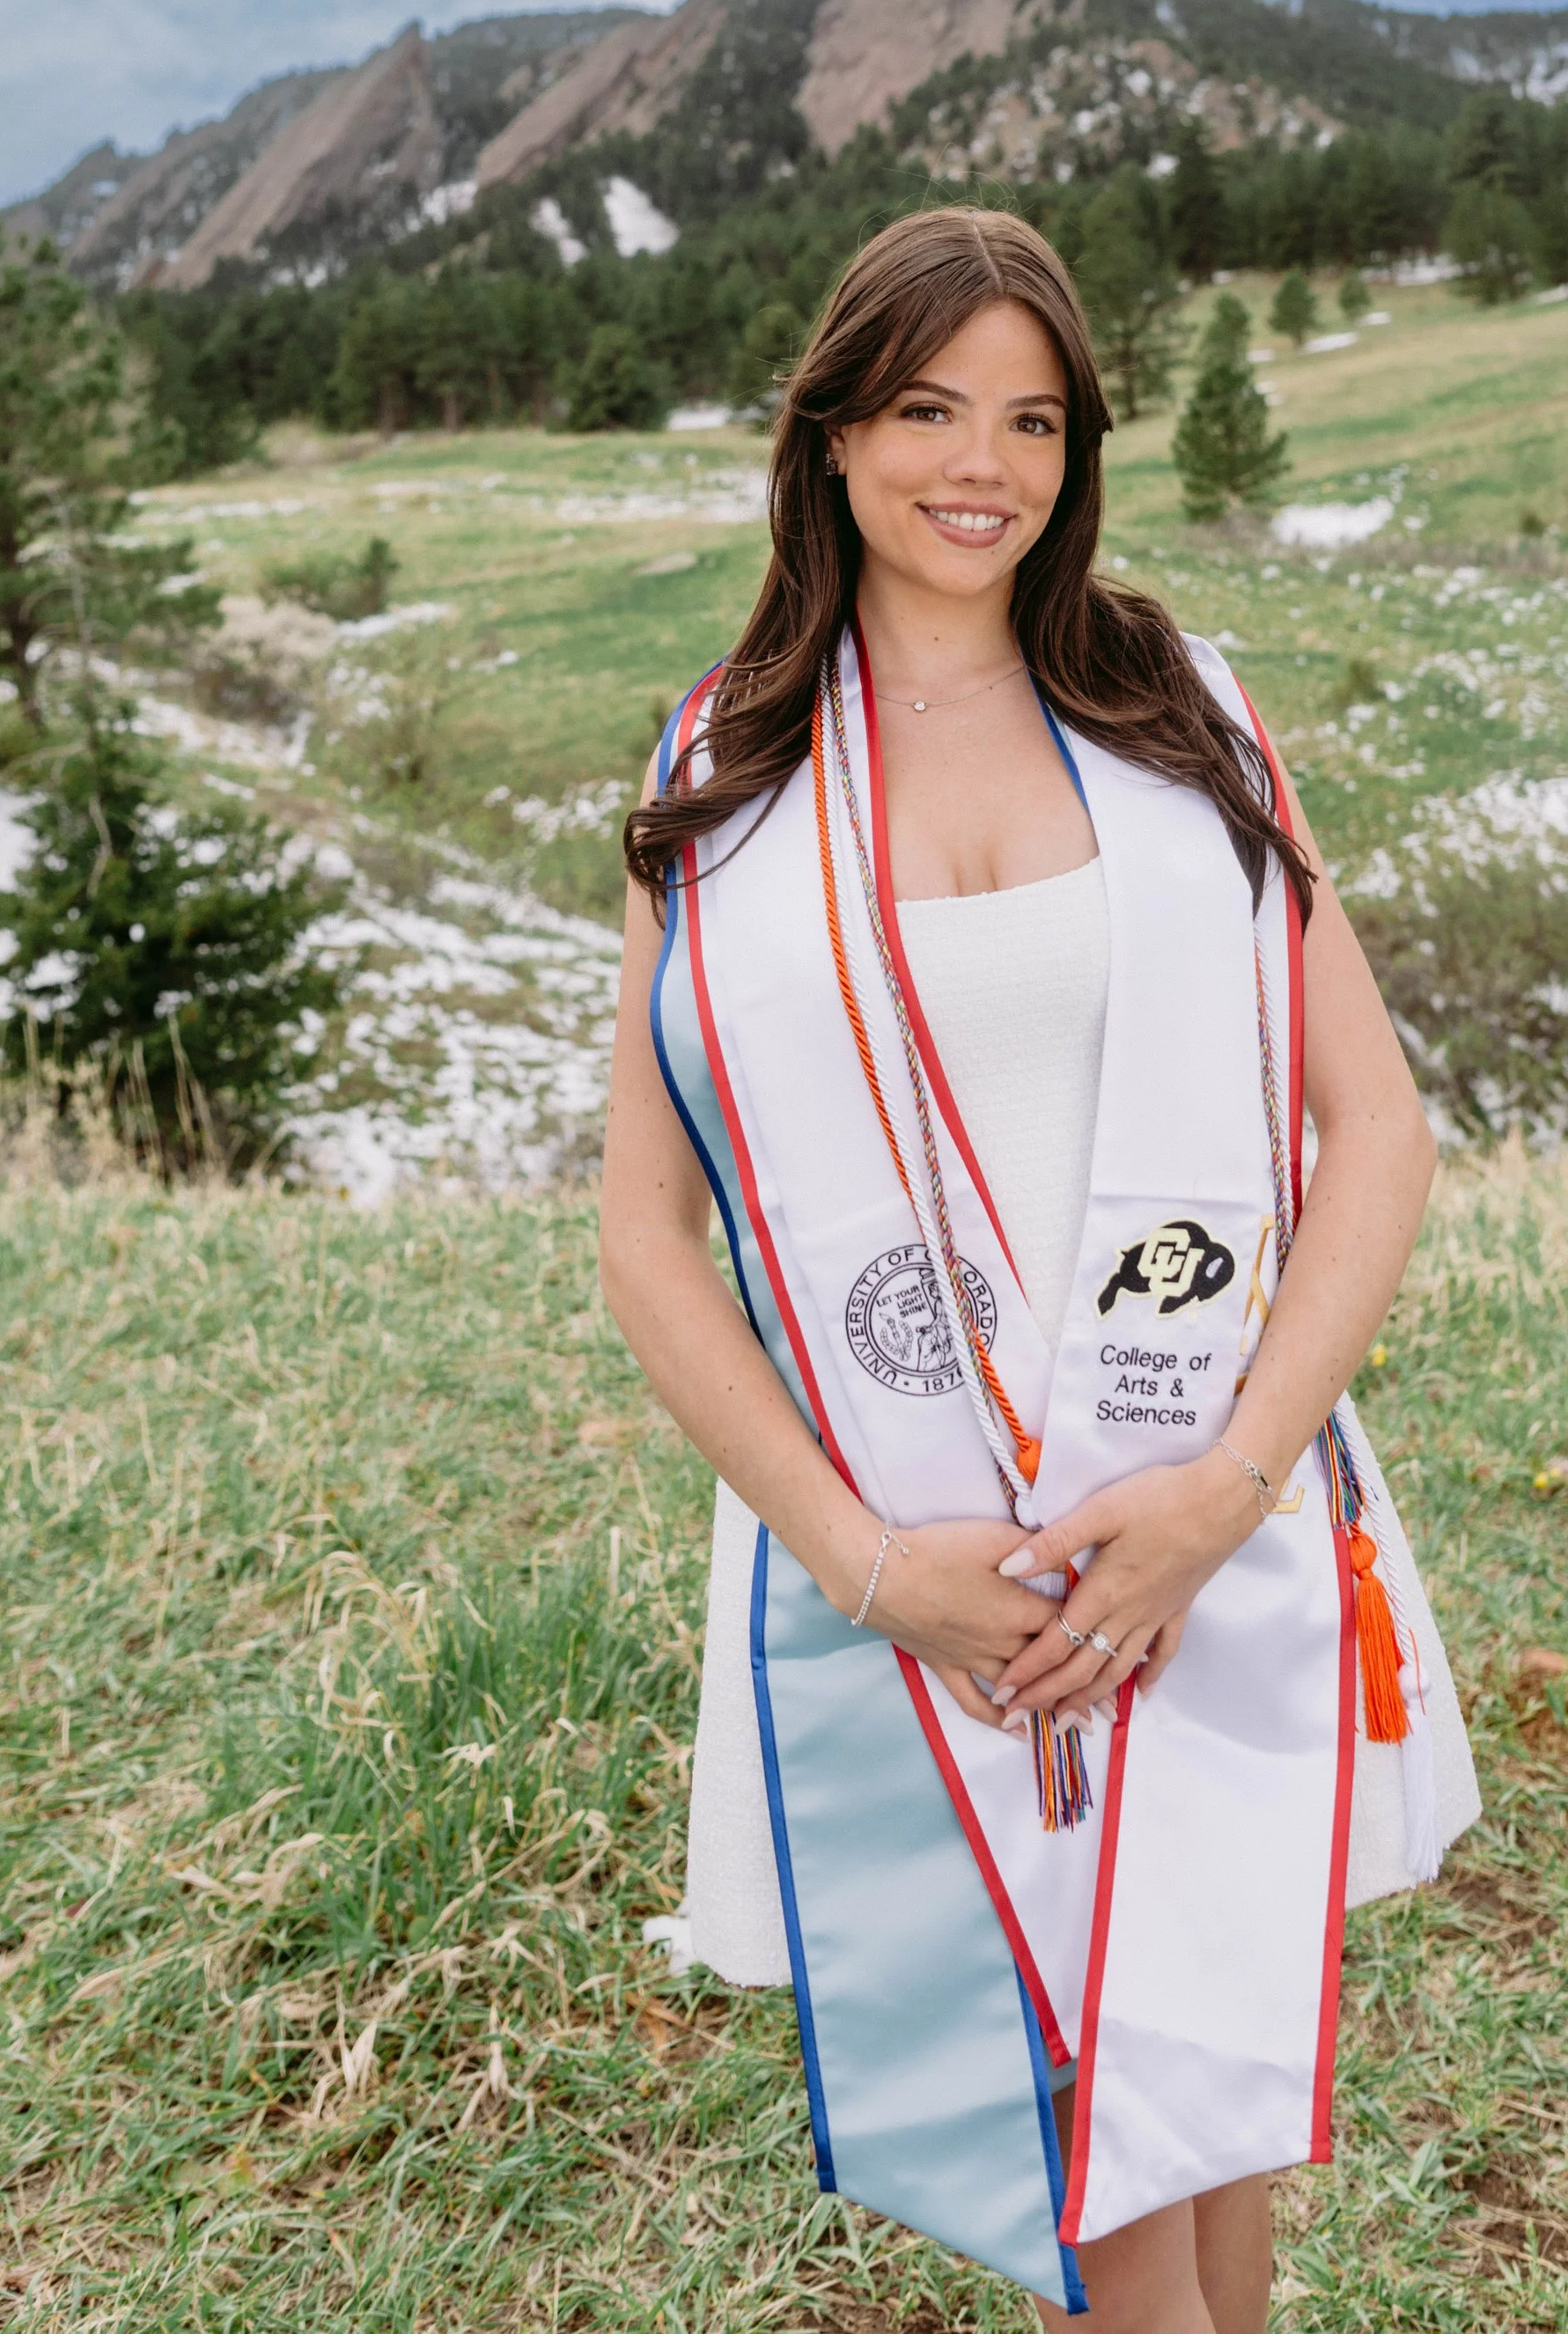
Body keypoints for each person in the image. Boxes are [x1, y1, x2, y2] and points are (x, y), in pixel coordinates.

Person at [600, 207, 1477, 2333]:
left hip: (1200, 1501)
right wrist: (860, 1557)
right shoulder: (722, 776)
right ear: (826, 435)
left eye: (1029, 417)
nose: (976, 463)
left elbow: (1374, 1131)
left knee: (1193, 2098)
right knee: (1081, 2114)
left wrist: (1223, 1490)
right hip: (914, 1560)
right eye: (922, 408)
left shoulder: (1173, 714)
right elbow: (648, 1234)